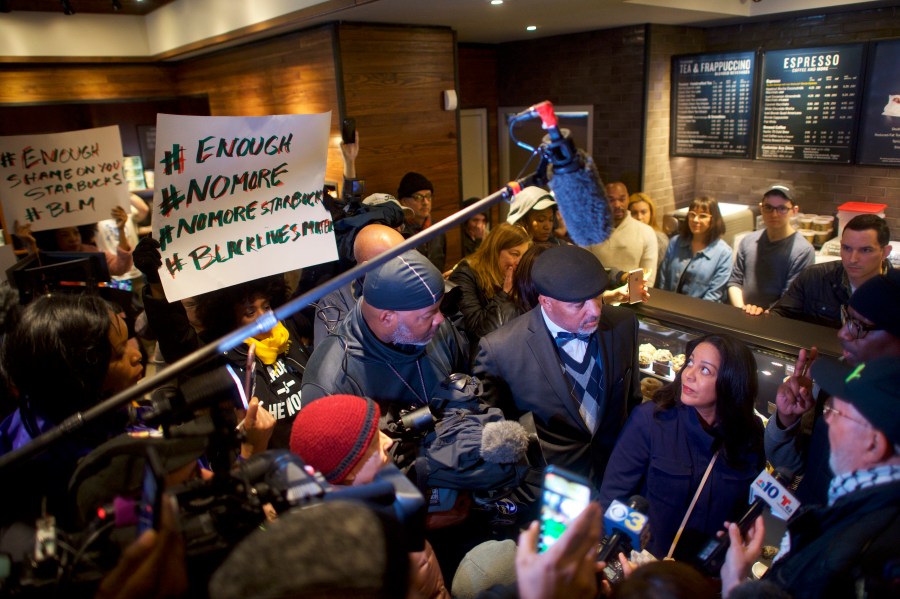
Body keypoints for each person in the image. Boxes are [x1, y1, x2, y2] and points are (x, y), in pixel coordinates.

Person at [725, 356, 900, 599]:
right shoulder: (857, 504)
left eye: (836, 413)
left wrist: (735, 585)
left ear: (874, 444)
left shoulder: (868, 544)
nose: (826, 420)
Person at [474, 245, 641, 496]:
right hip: (550, 492)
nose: (595, 310)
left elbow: (632, 402)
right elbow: (494, 437)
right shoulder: (501, 350)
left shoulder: (624, 325)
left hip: (616, 479)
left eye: (597, 296)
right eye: (578, 305)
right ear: (546, 302)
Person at [600, 333, 764, 559]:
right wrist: (630, 556)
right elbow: (613, 499)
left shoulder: (749, 434)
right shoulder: (650, 420)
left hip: (705, 579)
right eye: (690, 362)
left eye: (705, 370)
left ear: (731, 382)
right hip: (646, 569)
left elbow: (746, 512)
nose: (689, 374)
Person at [0, 294, 143, 525]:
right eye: (118, 354)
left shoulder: (58, 406)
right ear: (79, 378)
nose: (136, 356)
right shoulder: (62, 469)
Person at [289, 394, 450, 599]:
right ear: (348, 471)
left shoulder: (380, 492)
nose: (389, 441)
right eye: (374, 442)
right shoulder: (356, 564)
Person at [765, 269, 900, 505]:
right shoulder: (840, 380)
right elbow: (800, 469)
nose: (842, 333)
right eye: (847, 319)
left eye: (859, 327)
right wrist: (788, 420)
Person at [770, 214, 892, 328]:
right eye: (847, 248)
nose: (853, 259)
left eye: (865, 250)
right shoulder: (814, 277)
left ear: (885, 252)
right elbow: (780, 315)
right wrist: (759, 317)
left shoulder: (895, 290)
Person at [312, 222, 405, 347]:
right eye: (395, 261)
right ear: (367, 268)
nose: (407, 266)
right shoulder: (334, 302)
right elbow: (330, 359)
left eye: (407, 256)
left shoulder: (414, 286)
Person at [728, 185, 815, 314]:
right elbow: (735, 282)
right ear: (761, 208)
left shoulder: (803, 251)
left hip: (777, 322)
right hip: (741, 314)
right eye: (768, 207)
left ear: (794, 211)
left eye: (782, 208)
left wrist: (760, 315)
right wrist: (742, 310)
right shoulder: (748, 241)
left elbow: (790, 299)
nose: (774, 214)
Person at [448, 222, 531, 346]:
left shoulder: (517, 277)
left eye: (523, 256)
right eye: (514, 254)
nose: (520, 262)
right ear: (495, 251)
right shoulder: (466, 274)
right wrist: (504, 294)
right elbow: (477, 332)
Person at [15, 206, 135, 278]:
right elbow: (39, 274)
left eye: (76, 232)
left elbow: (120, 267)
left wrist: (121, 229)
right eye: (65, 235)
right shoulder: (48, 257)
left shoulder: (93, 253)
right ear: (53, 238)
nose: (73, 238)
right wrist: (30, 245)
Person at [657, 196, 733, 302]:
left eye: (702, 216)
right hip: (668, 307)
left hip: (701, 313)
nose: (695, 220)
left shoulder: (724, 253)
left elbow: (715, 293)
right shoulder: (675, 242)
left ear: (713, 219)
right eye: (692, 215)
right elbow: (663, 279)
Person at [586, 181, 658, 287]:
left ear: (628, 199)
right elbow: (584, 270)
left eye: (622, 199)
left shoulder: (646, 232)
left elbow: (648, 277)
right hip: (598, 297)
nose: (617, 205)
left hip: (633, 297)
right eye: (611, 200)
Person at [398, 171, 446, 271]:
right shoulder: (399, 231)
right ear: (404, 201)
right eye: (418, 197)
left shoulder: (439, 229)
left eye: (428, 196)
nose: (425, 202)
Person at [628, 192, 669, 268]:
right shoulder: (625, 236)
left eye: (643, 212)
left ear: (651, 213)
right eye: (634, 213)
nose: (639, 217)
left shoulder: (660, 239)